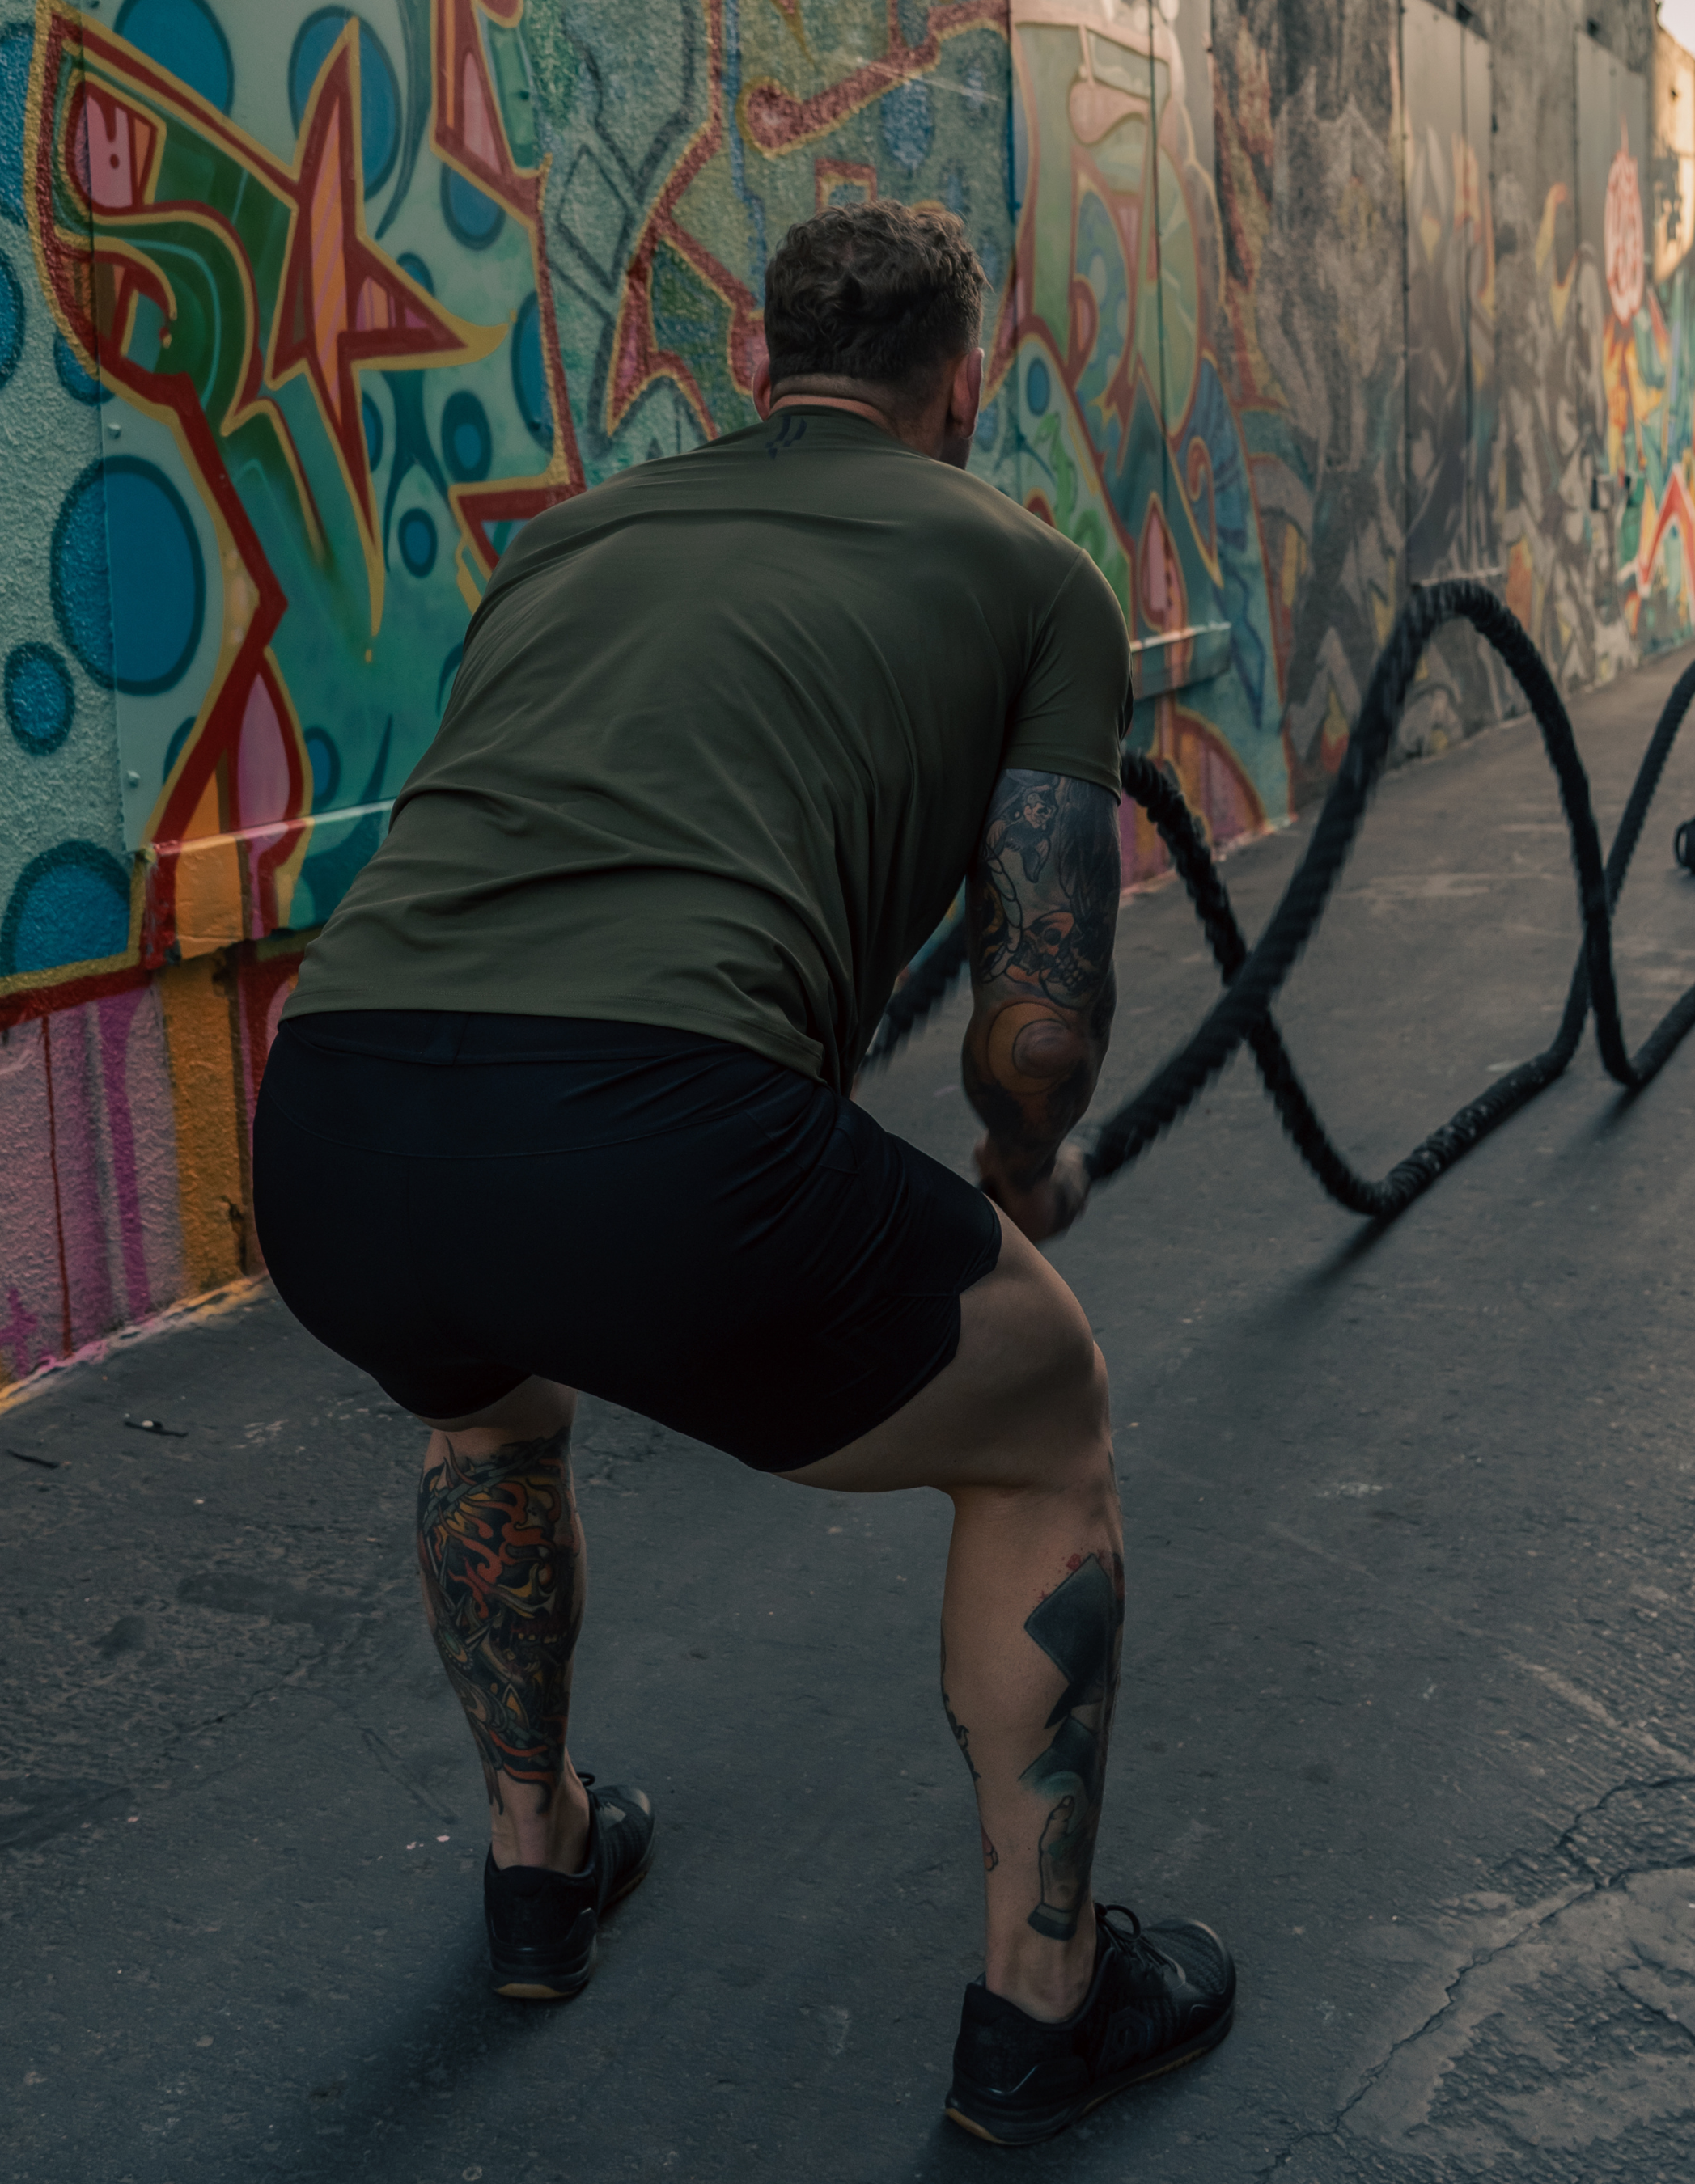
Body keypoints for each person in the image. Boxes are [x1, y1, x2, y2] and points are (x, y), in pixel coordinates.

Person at [251, 199, 1235, 2148]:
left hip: (341, 1125)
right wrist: (1019, 1175)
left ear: (753, 369)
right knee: (1045, 1419)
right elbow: (1041, 1009)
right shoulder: (1030, 572)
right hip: (660, 1146)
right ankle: (1046, 2006)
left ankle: (538, 1866)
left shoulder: (571, 545)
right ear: (961, 383)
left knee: (485, 1409)